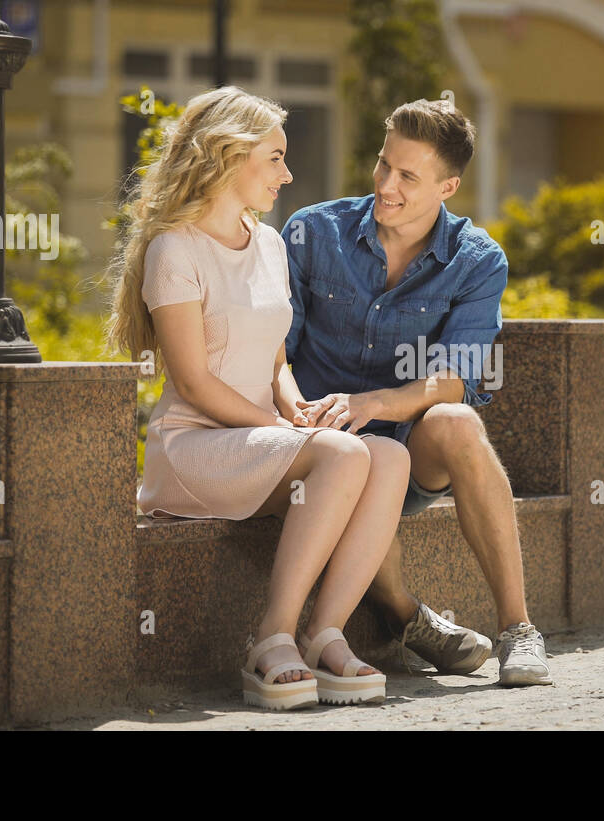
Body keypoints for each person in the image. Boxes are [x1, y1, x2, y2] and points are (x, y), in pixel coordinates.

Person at [105, 86, 410, 710]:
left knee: (391, 458)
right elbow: (192, 383)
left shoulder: (269, 244)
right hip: (195, 449)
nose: (287, 173)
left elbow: (276, 359)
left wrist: (292, 406)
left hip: (260, 440)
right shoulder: (175, 249)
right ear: (228, 154)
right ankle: (270, 637)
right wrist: (292, 430)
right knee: (343, 455)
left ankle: (322, 633)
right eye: (275, 157)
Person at [281, 99, 552, 687]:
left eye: (408, 176)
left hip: (409, 444)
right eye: (384, 166)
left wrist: (375, 404)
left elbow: (456, 374)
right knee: (354, 466)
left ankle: (518, 630)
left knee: (457, 421)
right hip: (317, 440)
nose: (387, 185)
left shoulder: (476, 260)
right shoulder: (311, 232)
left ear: (449, 185)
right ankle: (406, 617)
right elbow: (277, 352)